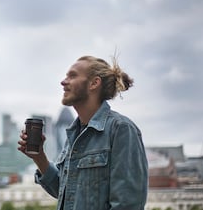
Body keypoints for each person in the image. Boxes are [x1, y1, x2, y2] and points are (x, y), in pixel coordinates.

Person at [18, 55, 148, 210]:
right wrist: (39, 157)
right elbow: (65, 191)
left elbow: (127, 205)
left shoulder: (121, 129)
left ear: (94, 83)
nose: (63, 81)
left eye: (72, 76)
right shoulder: (74, 134)